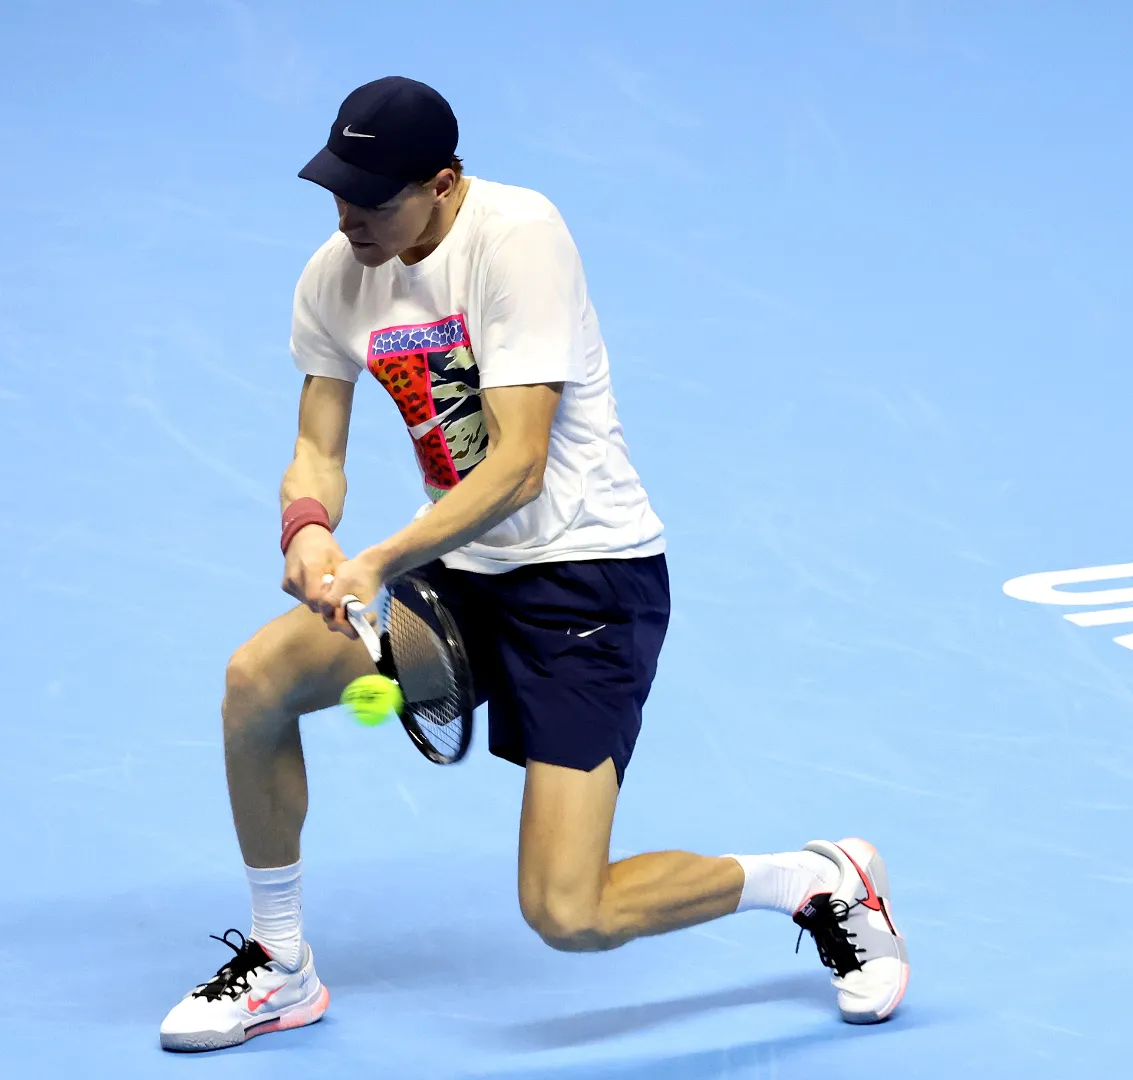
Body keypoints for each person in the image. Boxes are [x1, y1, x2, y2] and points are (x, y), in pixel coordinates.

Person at [158, 76, 907, 1053]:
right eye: (338, 192)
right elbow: (319, 449)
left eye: (375, 199)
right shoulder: (339, 271)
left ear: (445, 183)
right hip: (460, 576)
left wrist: (376, 558)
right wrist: (306, 527)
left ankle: (817, 881)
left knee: (569, 912)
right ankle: (281, 964)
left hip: (585, 581)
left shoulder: (520, 238)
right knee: (256, 681)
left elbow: (516, 467)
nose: (350, 218)